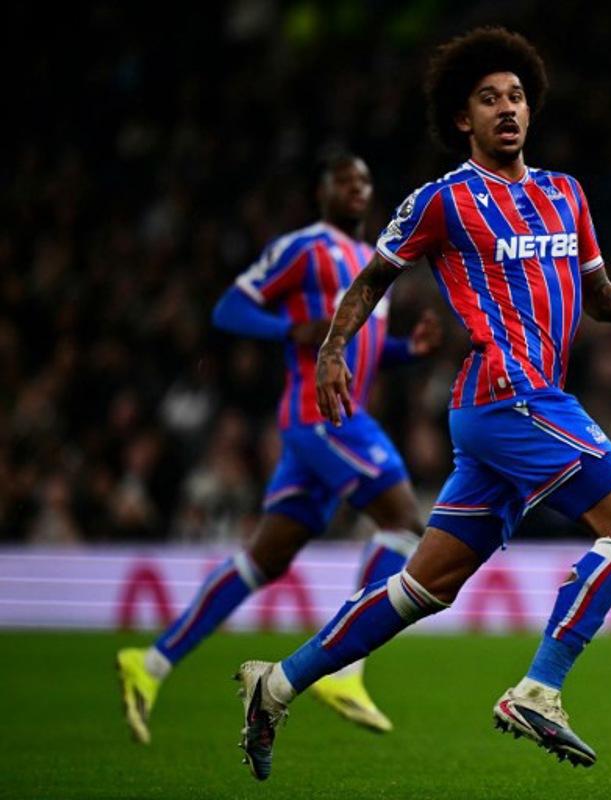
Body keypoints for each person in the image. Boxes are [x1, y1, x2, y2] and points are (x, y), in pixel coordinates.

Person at [232, 27, 611, 780]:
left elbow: (594, 294)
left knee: (422, 587)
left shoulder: (566, 194)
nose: (508, 109)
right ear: (462, 118)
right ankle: (539, 688)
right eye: (489, 99)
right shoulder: (442, 201)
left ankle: (275, 684)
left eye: (517, 97)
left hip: (516, 409)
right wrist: (332, 351)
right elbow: (372, 280)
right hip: (509, 398)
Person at [116, 150, 442, 744]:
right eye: (342, 180)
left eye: (364, 181)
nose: (356, 189)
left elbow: (361, 346)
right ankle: (344, 668)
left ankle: (152, 662)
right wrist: (287, 330)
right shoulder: (305, 248)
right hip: (322, 417)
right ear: (322, 192)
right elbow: (230, 308)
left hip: (329, 422)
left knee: (264, 558)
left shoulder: (373, 262)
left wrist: (405, 352)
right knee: (402, 521)